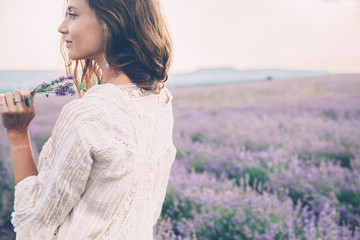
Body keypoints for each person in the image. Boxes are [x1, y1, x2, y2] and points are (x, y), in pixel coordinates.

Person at [0, 0, 176, 239]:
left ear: (110, 23)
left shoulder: (89, 113)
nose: (61, 27)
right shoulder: (161, 100)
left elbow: (33, 226)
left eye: (72, 15)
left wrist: (18, 135)